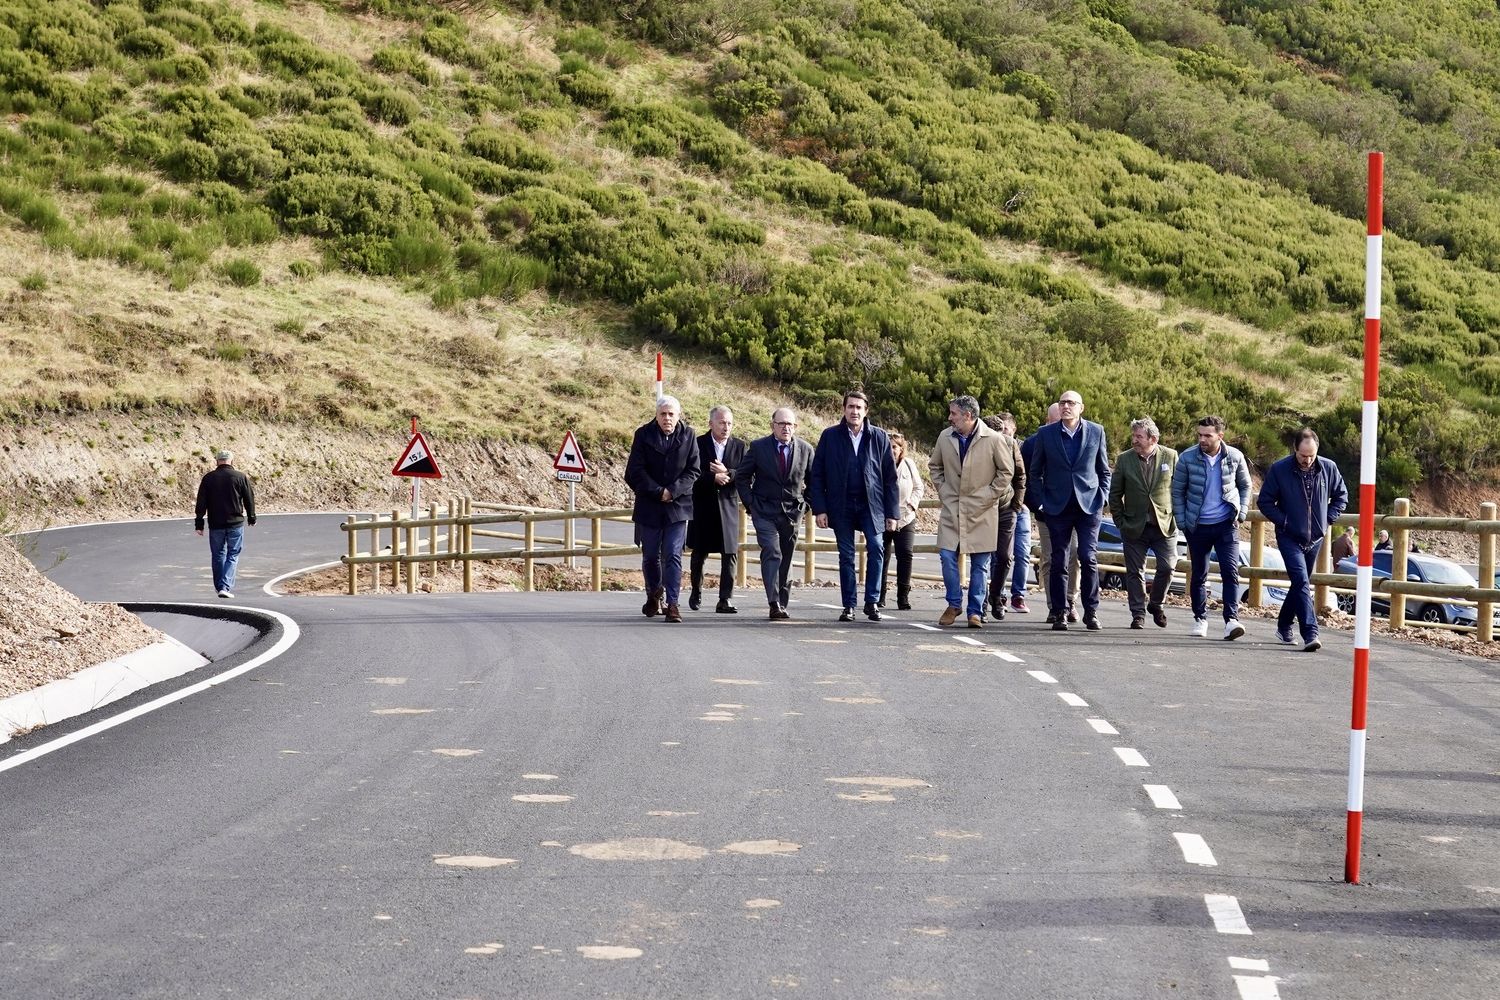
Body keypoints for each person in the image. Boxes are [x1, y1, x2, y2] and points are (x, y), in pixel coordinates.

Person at [809, 389, 900, 622]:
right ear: (844, 409)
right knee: (846, 555)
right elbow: (817, 474)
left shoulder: (879, 436)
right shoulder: (830, 436)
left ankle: (872, 602)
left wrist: (893, 513)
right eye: (851, 407)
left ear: (866, 411)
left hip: (872, 506)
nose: (854, 411)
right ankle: (849, 605)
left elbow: (890, 478)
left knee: (877, 547)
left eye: (859, 407)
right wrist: (820, 509)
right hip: (841, 506)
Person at [1025, 390, 1111, 632]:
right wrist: (1041, 502)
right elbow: (1035, 472)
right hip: (1057, 506)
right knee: (1059, 559)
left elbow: (1104, 470)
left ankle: (1091, 612)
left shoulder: (1096, 431)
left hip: (1089, 506)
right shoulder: (1046, 434)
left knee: (1087, 557)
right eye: (1063, 402)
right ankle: (1059, 612)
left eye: (1071, 403)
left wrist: (1102, 497)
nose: (1066, 407)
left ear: (1081, 407)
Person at [1257, 427, 1348, 653]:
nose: (1307, 460)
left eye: (1311, 456)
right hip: (1289, 536)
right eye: (1302, 455)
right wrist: (1285, 522)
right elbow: (1265, 501)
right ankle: (1310, 633)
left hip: (1315, 538)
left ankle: (1284, 624)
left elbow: (1341, 496)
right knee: (1301, 582)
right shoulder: (1280, 469)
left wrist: (1328, 519)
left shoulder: (1329, 468)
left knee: (1300, 583)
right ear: (1294, 449)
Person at [929, 397, 1012, 628]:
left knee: (980, 564)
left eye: (953, 413)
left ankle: (975, 611)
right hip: (952, 508)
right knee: (947, 556)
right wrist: (944, 491)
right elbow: (934, 467)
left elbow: (1006, 473)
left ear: (967, 415)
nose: (949, 417)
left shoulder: (994, 439)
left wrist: (988, 495)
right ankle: (954, 603)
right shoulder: (945, 437)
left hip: (982, 511)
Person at [1170, 415, 1252, 640]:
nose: (1202, 439)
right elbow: (1177, 491)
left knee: (1230, 572)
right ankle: (1200, 618)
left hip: (1226, 524)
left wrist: (1241, 513)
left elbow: (1245, 486)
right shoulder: (1187, 457)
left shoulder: (1235, 456)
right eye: (1200, 435)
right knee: (1199, 574)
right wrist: (1183, 522)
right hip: (1197, 526)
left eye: (1208, 435)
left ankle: (1231, 620)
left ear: (1220, 436)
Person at [624, 395, 700, 623]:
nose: (667, 418)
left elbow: (693, 470)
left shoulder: (688, 435)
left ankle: (673, 603)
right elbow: (634, 471)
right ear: (656, 415)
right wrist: (658, 491)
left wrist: (672, 491)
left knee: (673, 554)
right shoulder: (643, 434)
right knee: (649, 556)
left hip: (678, 506)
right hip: (649, 503)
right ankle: (654, 593)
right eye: (663, 414)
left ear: (678, 415)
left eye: (671, 414)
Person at [736, 407, 814, 621]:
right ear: (773, 426)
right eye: (781, 424)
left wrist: (806, 504)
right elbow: (742, 477)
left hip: (792, 512)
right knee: (772, 550)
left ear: (795, 427)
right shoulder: (759, 447)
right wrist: (751, 503)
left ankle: (782, 602)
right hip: (764, 510)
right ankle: (773, 601)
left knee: (786, 557)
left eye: (790, 424)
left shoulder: (806, 450)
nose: (786, 428)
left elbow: (815, 481)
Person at [1108, 418, 1179, 630]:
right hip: (1133, 526)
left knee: (1167, 567)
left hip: (1164, 525)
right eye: (1134, 436)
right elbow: (1115, 494)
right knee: (1134, 572)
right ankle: (1137, 614)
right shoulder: (1124, 459)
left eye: (1139, 436)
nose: (1134, 440)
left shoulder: (1171, 456)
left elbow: (1179, 489)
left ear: (1153, 439)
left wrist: (1177, 516)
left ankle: (1156, 604)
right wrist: (1120, 521)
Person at [1021, 403, 1079, 622]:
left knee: (1073, 555)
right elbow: (1026, 477)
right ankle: (1055, 605)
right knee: (1050, 557)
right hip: (1047, 512)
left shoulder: (1079, 437)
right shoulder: (1033, 443)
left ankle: (1070, 601)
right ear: (1047, 421)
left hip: (1072, 509)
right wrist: (1037, 504)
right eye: (1055, 421)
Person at [686, 406, 746, 613]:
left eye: (729, 423)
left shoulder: (740, 446)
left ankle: (725, 599)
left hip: (728, 507)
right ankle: (696, 591)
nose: (725, 427)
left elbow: (747, 474)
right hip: (703, 506)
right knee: (699, 553)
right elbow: (690, 473)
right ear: (711, 423)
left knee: (730, 554)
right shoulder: (697, 443)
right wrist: (712, 477)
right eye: (721, 423)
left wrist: (727, 473)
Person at [981, 413, 1027, 621]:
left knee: (1005, 556)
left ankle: (996, 595)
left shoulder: (1010, 445)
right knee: (980, 556)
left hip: (1006, 507)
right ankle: (980, 602)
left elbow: (1020, 474)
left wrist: (1017, 504)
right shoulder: (976, 445)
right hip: (982, 508)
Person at [195, 449, 256, 599]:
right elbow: (249, 498)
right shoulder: (240, 477)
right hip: (235, 523)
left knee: (217, 555)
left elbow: (201, 502)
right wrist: (251, 517)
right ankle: (225, 586)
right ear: (231, 461)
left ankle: (219, 587)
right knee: (233, 554)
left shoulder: (208, 478)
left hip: (216, 523)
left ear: (217, 461)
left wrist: (199, 523)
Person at [879, 431, 925, 611]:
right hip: (882, 517)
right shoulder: (879, 464)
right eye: (889, 446)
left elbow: (918, 487)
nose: (892, 450)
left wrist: (913, 505)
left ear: (901, 449)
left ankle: (903, 597)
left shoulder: (909, 464)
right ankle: (879, 595)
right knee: (881, 555)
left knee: (905, 554)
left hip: (906, 517)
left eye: (895, 447)